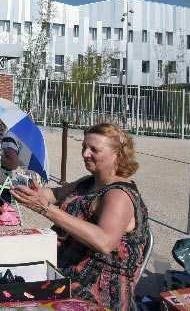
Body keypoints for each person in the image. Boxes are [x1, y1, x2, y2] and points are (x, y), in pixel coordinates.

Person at [11, 123, 149, 311]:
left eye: (94, 149)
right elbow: (55, 194)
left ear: (117, 155)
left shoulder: (119, 195)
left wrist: (47, 209)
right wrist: (26, 192)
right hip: (65, 271)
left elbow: (105, 242)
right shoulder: (90, 182)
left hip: (96, 291)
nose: (85, 154)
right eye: (84, 147)